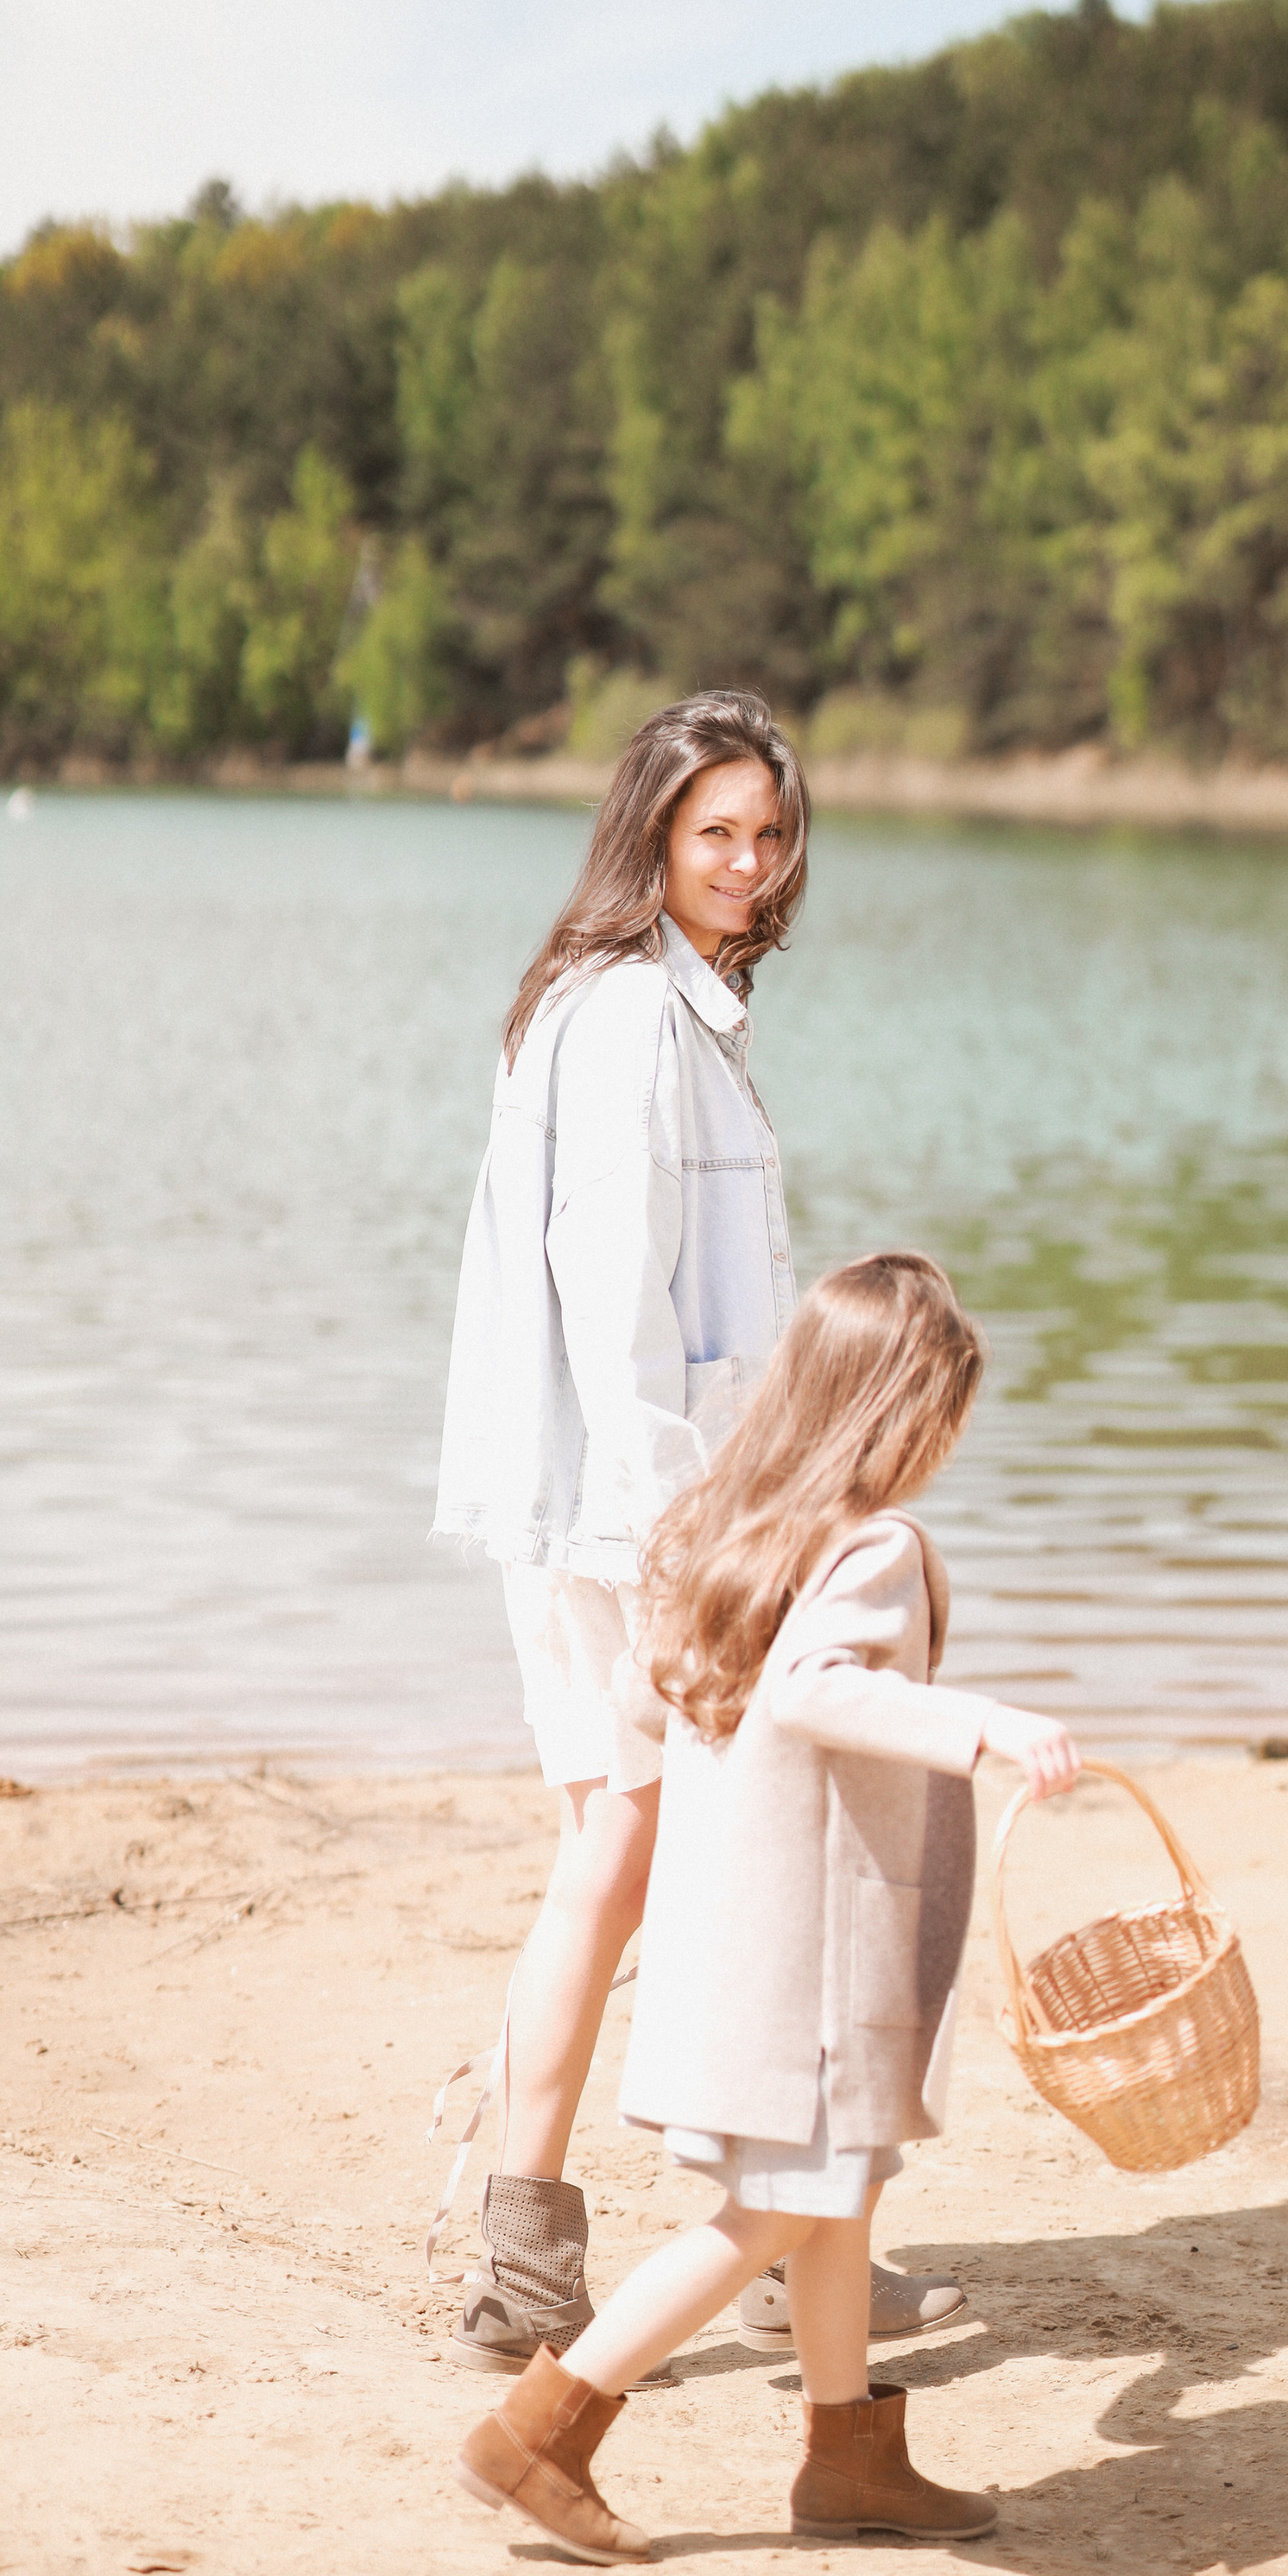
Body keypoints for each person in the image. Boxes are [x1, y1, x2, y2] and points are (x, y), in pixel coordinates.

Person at [433, 694, 968, 2371]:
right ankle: (561, 2253)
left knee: (633, 1850)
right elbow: (614, 1297)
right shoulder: (617, 1017)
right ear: (652, 833)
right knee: (636, 1851)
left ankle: (741, 2234)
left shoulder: (679, 1004)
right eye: (715, 832)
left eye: (766, 834)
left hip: (640, 1500)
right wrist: (680, 1528)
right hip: (630, 1509)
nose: (746, 864)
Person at [454, 1252, 1079, 2560]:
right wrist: (989, 1729)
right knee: (775, 2215)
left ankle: (850, 2456)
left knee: (837, 2196)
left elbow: (640, 1698)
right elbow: (812, 1690)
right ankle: (547, 2427)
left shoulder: (721, 1532)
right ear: (903, 1417)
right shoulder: (874, 1549)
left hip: (731, 1948)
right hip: (819, 1963)